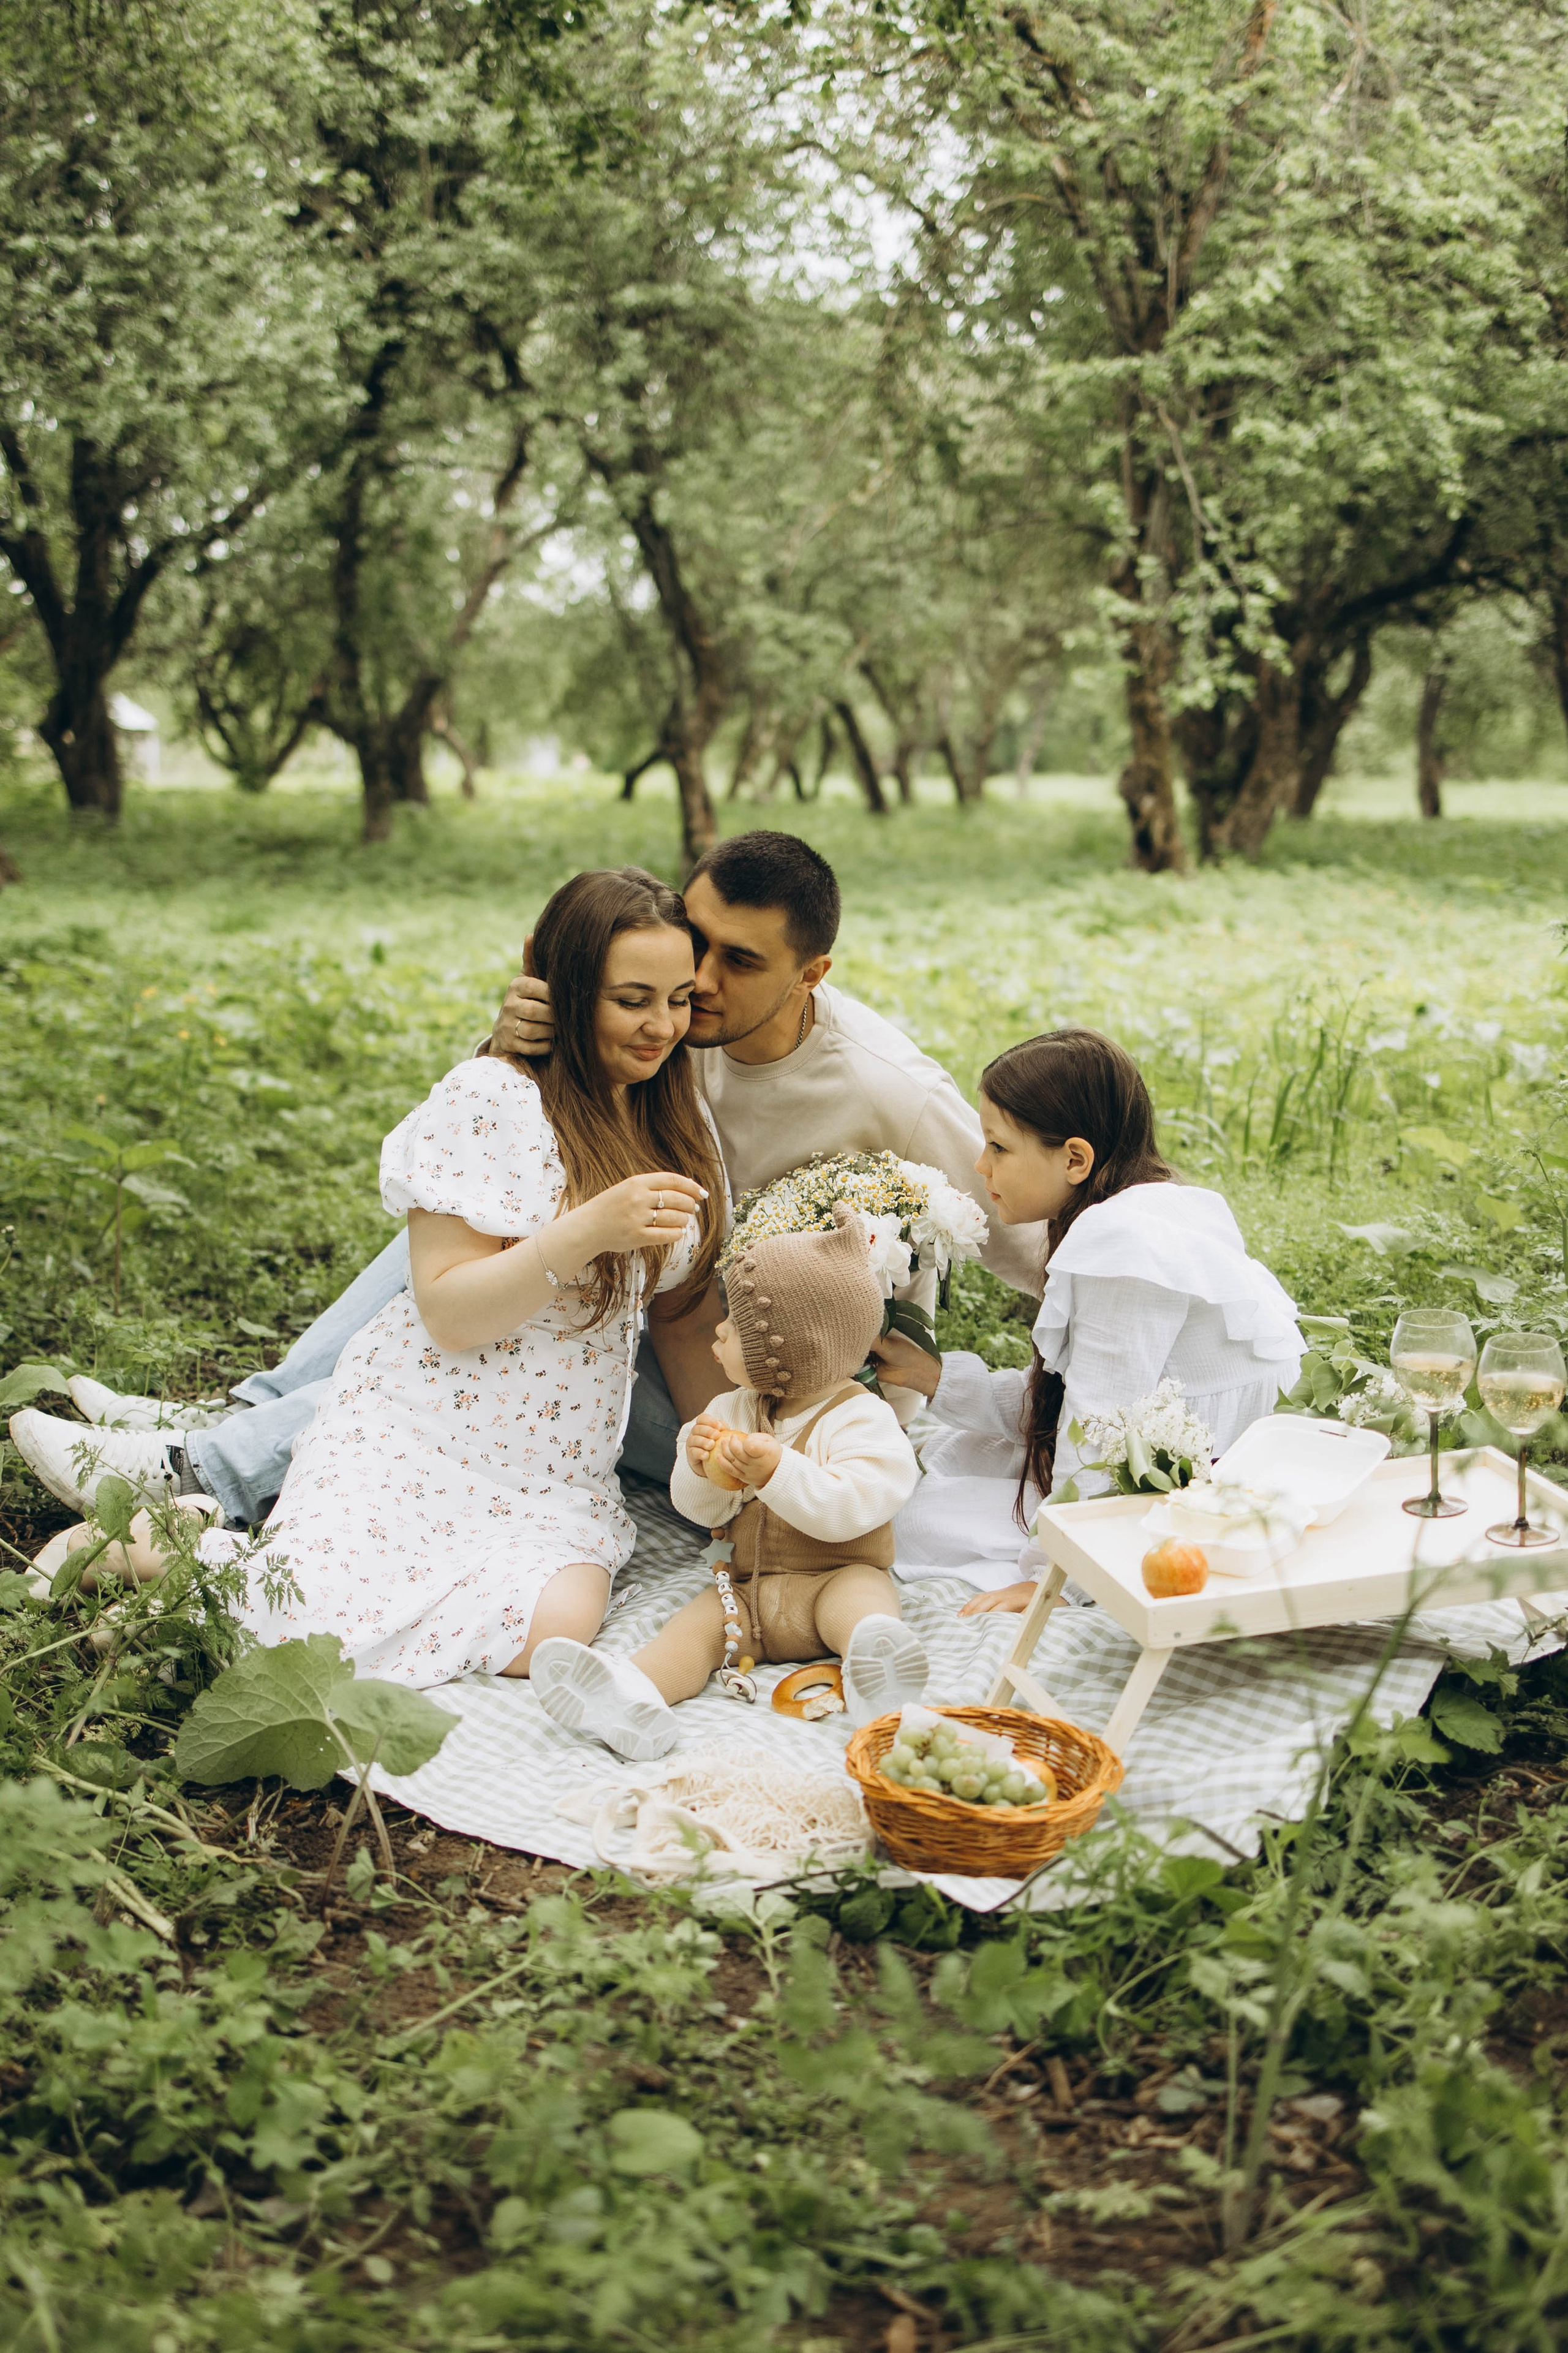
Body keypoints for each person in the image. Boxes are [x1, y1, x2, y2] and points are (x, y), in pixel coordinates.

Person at [13, 832, 1043, 1524]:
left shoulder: (885, 1083)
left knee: (492, 1336)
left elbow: (1022, 1232)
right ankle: (238, 1421)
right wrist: (509, 1045)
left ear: (811, 975)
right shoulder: (663, 1010)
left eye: (738, 963)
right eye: (695, 943)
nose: (699, 986)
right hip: (626, 1283)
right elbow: (498, 1151)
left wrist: (1138, 1285)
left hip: (726, 1352)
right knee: (461, 1235)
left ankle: (212, 1472)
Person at [223, 867, 724, 1683]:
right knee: (306, 1627)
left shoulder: (671, 1115)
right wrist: (586, 1232)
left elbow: (678, 1314)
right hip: (427, 1435)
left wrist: (727, 1463)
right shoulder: (491, 1098)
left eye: (679, 1000)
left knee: (551, 1630)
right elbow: (450, 1312)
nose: (662, 1026)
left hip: (554, 1473)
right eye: (632, 1000)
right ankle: (159, 1551)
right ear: (560, 986)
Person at [872, 1027, 1305, 1612]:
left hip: (1208, 1480)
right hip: (1169, 1446)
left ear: (1075, 1158)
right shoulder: (1143, 1208)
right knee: (956, 1461)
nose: (980, 1165)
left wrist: (1052, 1580)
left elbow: (1098, 1428)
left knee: (916, 1522)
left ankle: (1077, 1554)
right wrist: (931, 1376)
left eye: (998, 1148)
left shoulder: (1122, 1244)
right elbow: (1070, 1402)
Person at [531, 1204, 927, 1760]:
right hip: (749, 1590)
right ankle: (633, 1695)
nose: (716, 1332)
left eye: (735, 1327)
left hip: (834, 1575)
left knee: (864, 1605)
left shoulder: (862, 1420)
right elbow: (700, 1510)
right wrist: (697, 1467)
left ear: (787, 1354)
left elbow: (852, 1507)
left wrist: (777, 1472)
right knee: (695, 1628)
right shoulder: (735, 1407)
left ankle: (877, 1674)